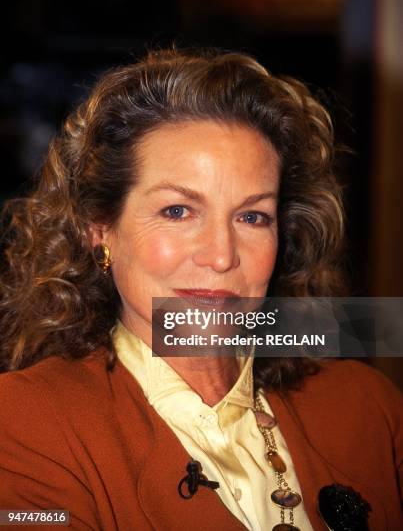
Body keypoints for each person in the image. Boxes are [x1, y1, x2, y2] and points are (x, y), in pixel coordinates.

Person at [0, 48, 401, 531]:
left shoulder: (371, 407)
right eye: (178, 211)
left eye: (252, 217)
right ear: (100, 229)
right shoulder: (24, 423)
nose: (220, 255)